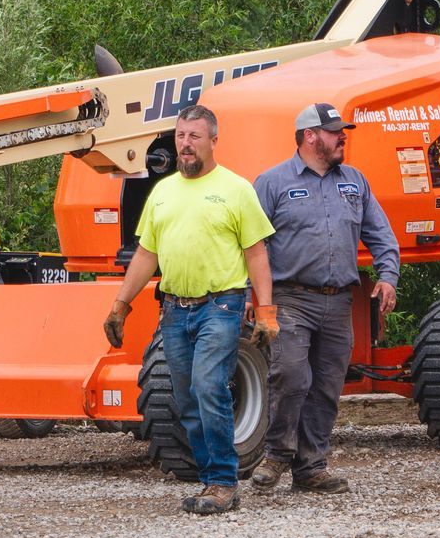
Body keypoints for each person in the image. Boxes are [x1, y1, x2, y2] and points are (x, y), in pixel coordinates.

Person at [103, 104, 280, 516]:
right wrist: (120, 305)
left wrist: (266, 309)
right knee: (184, 397)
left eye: (194, 137)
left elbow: (256, 253)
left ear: (213, 141)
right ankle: (209, 478)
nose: (185, 144)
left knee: (208, 387)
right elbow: (147, 253)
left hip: (221, 305)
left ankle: (222, 482)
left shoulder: (236, 189)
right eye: (181, 136)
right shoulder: (162, 192)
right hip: (175, 310)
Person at [250, 102, 400, 495]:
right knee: (291, 374)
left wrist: (388, 277)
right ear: (310, 136)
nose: (342, 136)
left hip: (338, 302)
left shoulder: (355, 181)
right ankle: (277, 454)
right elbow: (249, 244)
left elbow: (381, 233)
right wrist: (252, 297)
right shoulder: (271, 183)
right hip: (290, 298)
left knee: (328, 386)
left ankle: (311, 467)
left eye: (342, 130)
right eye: (335, 131)